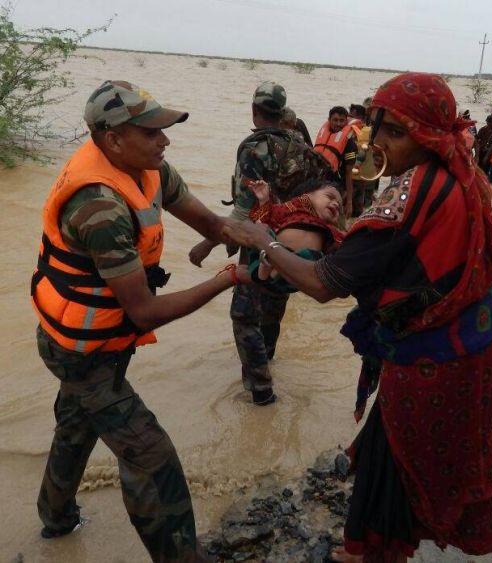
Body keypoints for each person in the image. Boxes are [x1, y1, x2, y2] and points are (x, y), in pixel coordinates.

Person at [223, 72, 492, 562]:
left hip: (435, 359)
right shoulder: (466, 172)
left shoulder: (408, 194)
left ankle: (372, 551)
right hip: (473, 340)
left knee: (398, 462)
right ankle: (366, 546)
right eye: (376, 127)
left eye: (395, 133)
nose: (378, 142)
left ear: (428, 135)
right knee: (389, 448)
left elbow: (321, 284)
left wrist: (262, 240)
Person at [30, 80, 243, 562]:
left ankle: (55, 520)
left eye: (164, 128)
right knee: (150, 455)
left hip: (99, 340)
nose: (164, 140)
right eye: (151, 132)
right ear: (112, 139)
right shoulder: (99, 206)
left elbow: (213, 224)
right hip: (79, 353)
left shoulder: (149, 169)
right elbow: (144, 311)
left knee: (75, 426)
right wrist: (229, 279)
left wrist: (266, 236)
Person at [189, 82, 329, 405]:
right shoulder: (303, 148)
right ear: (282, 113)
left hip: (258, 242)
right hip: (292, 247)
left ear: (254, 111)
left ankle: (261, 390)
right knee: (274, 307)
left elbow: (242, 210)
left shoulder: (254, 149)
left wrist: (207, 243)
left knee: (244, 314)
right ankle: (267, 360)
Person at [247, 178, 344, 289]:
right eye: (330, 197)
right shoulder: (291, 208)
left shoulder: (330, 230)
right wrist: (264, 200)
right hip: (274, 256)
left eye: (340, 208)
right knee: (262, 230)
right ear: (308, 194)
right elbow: (267, 217)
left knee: (312, 256)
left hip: (299, 272)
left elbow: (345, 243)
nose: (336, 204)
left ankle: (270, 272)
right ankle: (265, 269)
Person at [314, 106, 358, 217]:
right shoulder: (322, 136)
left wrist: (349, 203)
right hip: (319, 184)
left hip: (338, 189)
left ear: (346, 121)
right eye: (335, 120)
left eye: (342, 120)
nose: (338, 124)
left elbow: (349, 174)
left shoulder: (350, 144)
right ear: (329, 120)